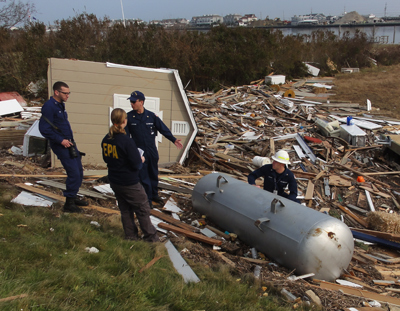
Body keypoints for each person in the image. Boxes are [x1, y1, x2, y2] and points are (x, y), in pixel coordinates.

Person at [101, 108, 159, 242]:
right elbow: (136, 164)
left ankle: (131, 236)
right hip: (129, 181)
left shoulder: (106, 139)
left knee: (125, 209)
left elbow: (106, 159)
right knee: (142, 207)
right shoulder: (126, 141)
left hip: (115, 180)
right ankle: (151, 237)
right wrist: (141, 160)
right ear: (124, 121)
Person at [125, 91, 183, 207]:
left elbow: (163, 129)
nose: (131, 104)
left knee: (153, 173)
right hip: (140, 152)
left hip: (151, 150)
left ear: (141, 102)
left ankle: (154, 194)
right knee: (143, 176)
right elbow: (126, 137)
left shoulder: (151, 116)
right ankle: (147, 200)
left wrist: (173, 139)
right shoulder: (129, 117)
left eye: (133, 101)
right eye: (130, 101)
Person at [39, 81, 88, 213]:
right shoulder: (49, 107)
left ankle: (73, 196)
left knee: (79, 171)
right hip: (61, 145)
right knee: (73, 173)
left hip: (69, 143)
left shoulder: (60, 106)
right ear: (56, 92)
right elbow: (44, 129)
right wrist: (61, 140)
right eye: (65, 93)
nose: (68, 96)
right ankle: (69, 204)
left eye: (68, 93)